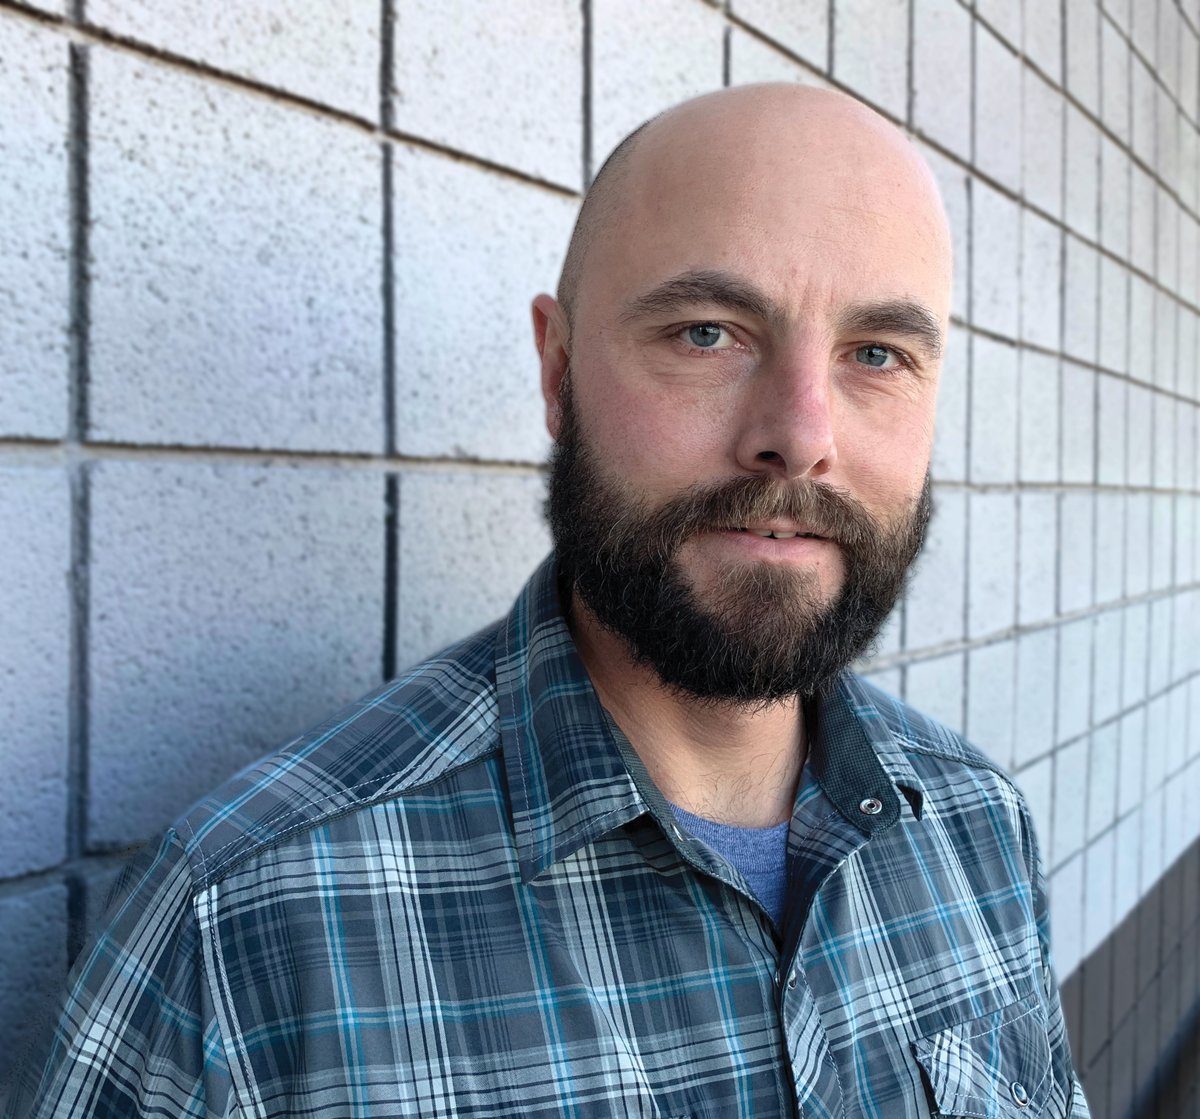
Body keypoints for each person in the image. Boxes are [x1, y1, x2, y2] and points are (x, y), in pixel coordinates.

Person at [7, 84, 1088, 1118]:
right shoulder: (243, 927)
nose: (802, 433)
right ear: (558, 374)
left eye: (878, 353)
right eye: (708, 331)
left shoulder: (976, 827)